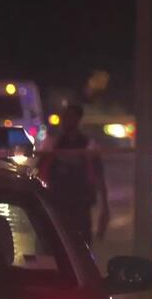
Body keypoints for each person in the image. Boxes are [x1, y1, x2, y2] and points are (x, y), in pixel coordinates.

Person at [37, 104, 110, 246]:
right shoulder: (53, 145)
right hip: (57, 203)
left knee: (82, 245)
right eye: (65, 116)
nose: (66, 120)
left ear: (78, 119)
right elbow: (40, 171)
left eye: (70, 116)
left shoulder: (87, 146)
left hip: (81, 204)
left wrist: (105, 209)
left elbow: (99, 177)